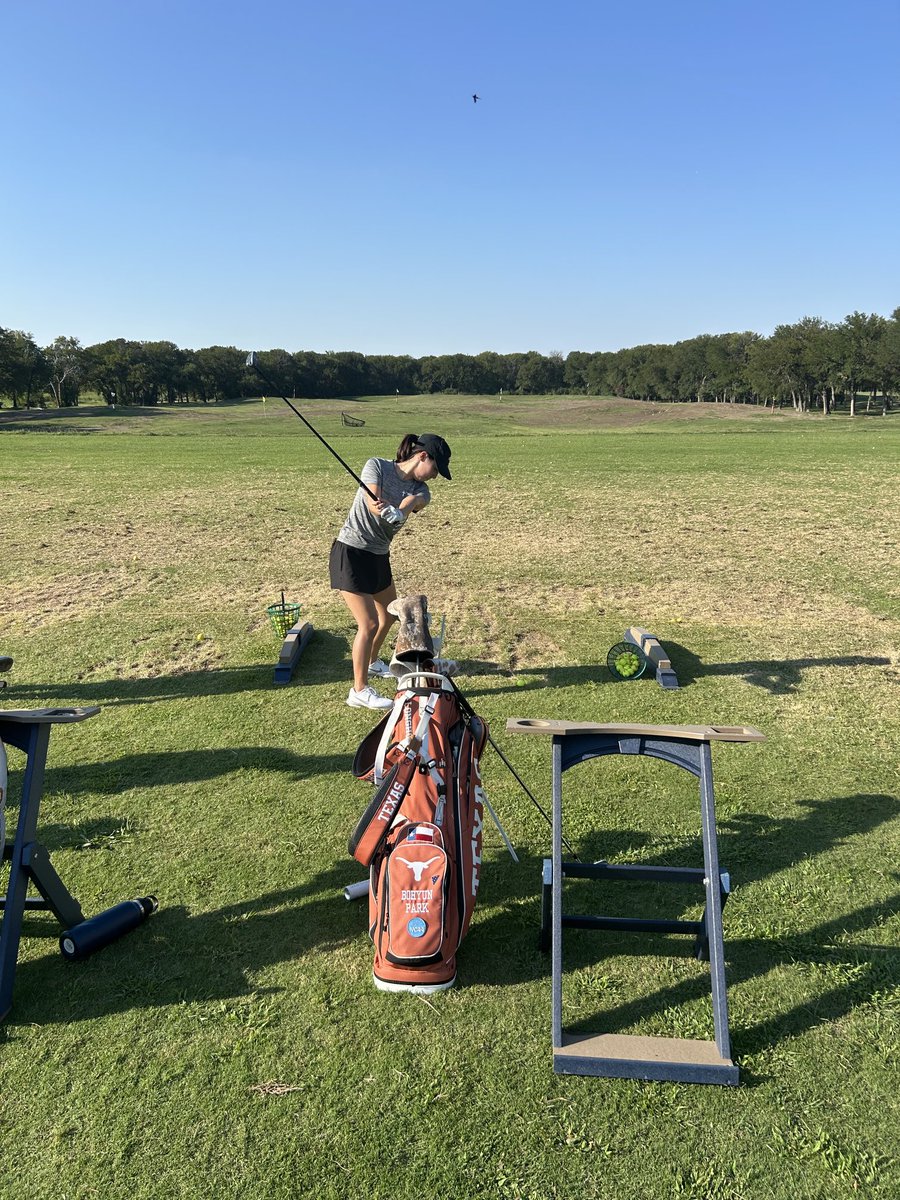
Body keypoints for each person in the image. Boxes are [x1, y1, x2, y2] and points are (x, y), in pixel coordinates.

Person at [329, 433, 452, 709]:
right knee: (369, 622)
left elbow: (413, 503)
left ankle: (372, 662)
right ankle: (358, 691)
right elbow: (372, 499)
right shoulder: (376, 466)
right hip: (351, 552)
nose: (433, 477)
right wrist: (381, 508)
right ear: (422, 456)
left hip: (378, 556)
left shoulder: (422, 490)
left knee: (389, 614)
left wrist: (399, 511)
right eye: (435, 469)